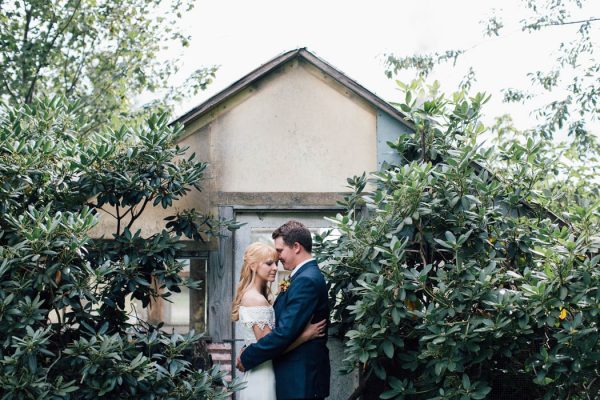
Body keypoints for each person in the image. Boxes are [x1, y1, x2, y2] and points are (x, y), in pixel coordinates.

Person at [237, 220, 331, 400]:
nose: (278, 259)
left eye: (280, 251)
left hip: (300, 376)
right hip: (290, 374)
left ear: (296, 247)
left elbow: (284, 333)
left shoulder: (306, 280)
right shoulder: (302, 277)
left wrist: (248, 356)